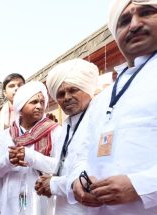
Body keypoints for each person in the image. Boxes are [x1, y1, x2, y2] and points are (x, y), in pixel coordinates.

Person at [69, 0, 157, 214]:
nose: (134, 25)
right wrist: (77, 180)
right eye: (124, 21)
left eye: (146, 13)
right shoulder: (103, 97)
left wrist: (142, 185)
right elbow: (82, 153)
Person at [33, 58, 98, 215]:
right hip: (63, 207)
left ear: (87, 89)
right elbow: (62, 164)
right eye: (61, 94)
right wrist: (50, 179)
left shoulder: (100, 120)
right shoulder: (65, 128)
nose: (66, 97)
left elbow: (91, 173)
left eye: (73, 90)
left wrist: (54, 184)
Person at [0, 81, 61, 215]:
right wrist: (9, 160)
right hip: (10, 201)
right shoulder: (6, 135)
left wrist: (30, 156)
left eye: (42, 102)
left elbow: (59, 167)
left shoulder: (55, 131)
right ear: (20, 107)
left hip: (40, 201)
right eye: (34, 102)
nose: (39, 106)